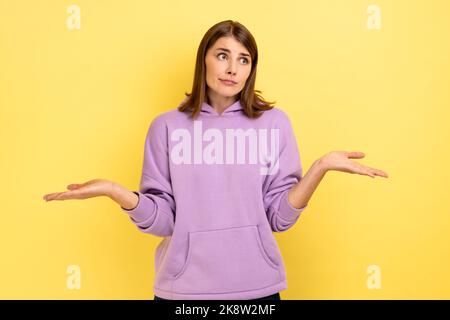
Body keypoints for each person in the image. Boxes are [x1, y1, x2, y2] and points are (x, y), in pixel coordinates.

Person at [43, 20, 389, 300]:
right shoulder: (166, 127)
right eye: (222, 55)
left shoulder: (274, 124)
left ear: (251, 68)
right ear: (203, 60)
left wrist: (320, 168)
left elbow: (278, 218)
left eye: (244, 59)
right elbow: (164, 221)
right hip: (183, 293)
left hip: (257, 290)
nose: (232, 69)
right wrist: (116, 191)